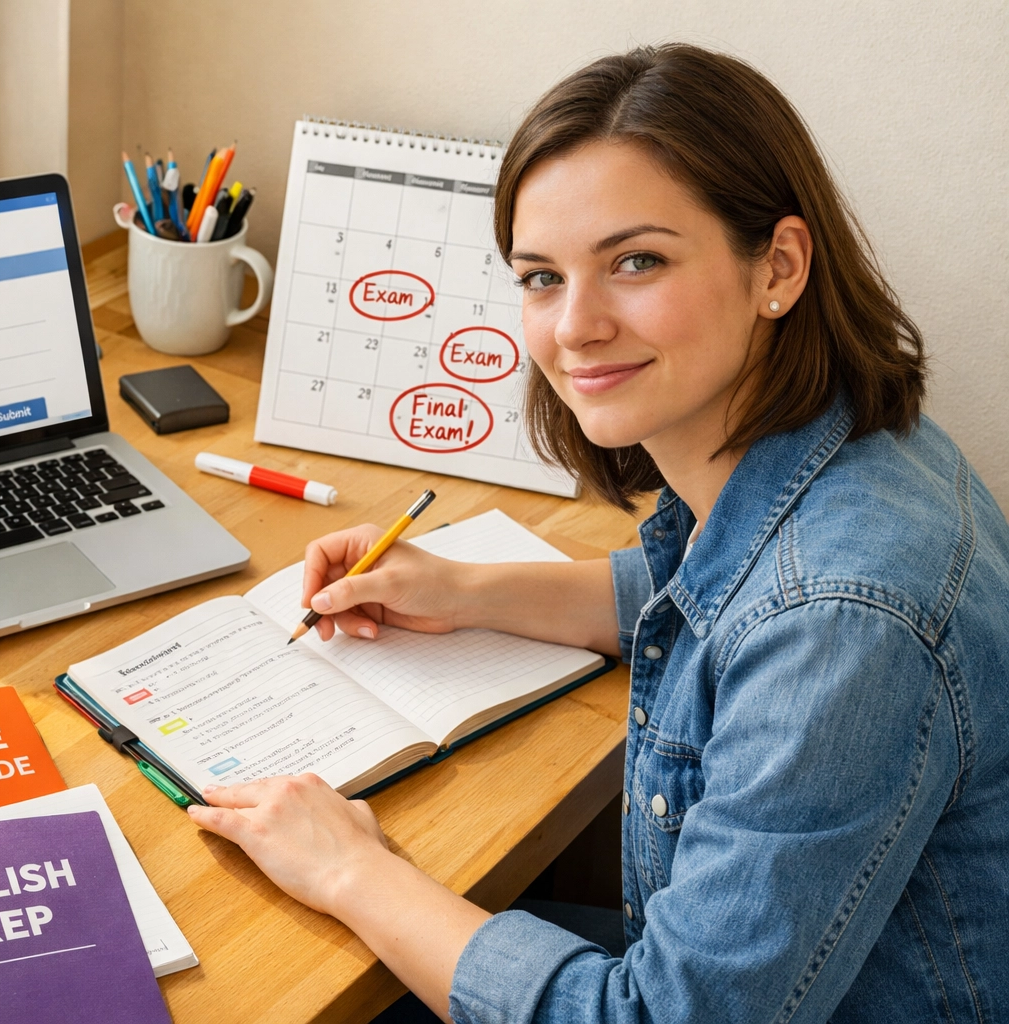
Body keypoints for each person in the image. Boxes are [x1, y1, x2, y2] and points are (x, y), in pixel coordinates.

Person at [187, 43, 1009, 1024]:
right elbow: (720, 595)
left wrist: (349, 867)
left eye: (636, 261)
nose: (575, 326)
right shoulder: (854, 442)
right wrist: (460, 590)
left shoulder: (839, 619)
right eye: (541, 276)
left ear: (778, 267)